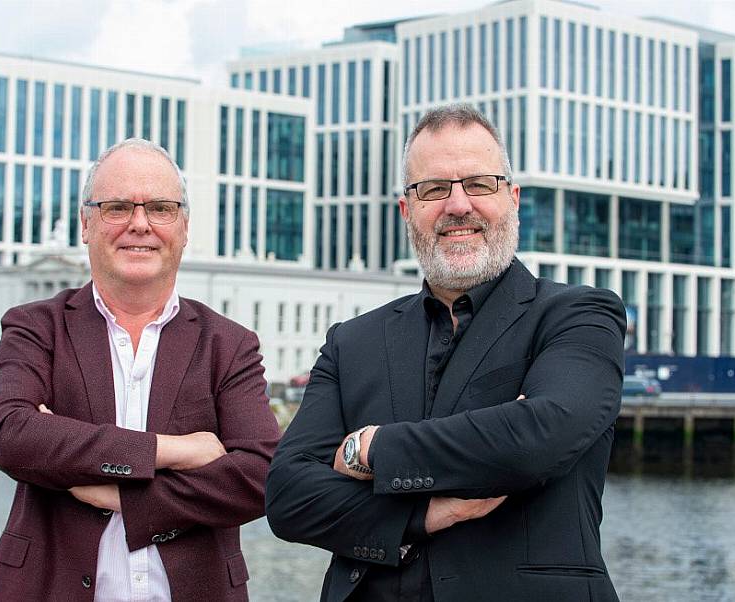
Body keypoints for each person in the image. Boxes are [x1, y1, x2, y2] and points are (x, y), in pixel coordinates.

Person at [266, 104, 626, 601]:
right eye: (433, 189)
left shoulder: (578, 315)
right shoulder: (351, 342)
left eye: (479, 184)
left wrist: (368, 449)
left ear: (513, 198)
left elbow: (541, 434)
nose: (458, 205)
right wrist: (426, 513)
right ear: (406, 210)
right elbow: (288, 497)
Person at [0, 139, 280, 601]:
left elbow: (261, 475)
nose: (139, 224)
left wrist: (128, 499)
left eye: (160, 208)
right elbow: (12, 435)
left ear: (183, 227)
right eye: (117, 207)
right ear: (86, 223)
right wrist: (176, 451)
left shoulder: (229, 344)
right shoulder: (35, 327)